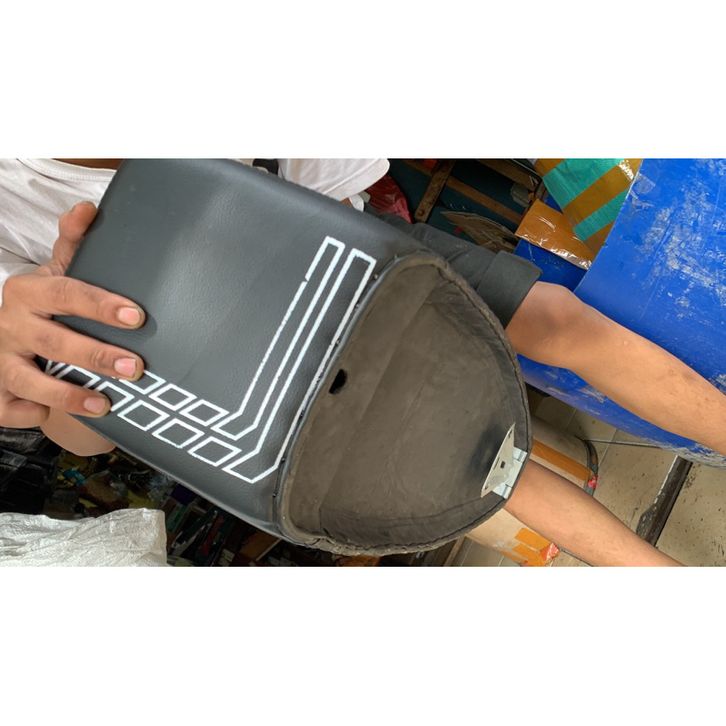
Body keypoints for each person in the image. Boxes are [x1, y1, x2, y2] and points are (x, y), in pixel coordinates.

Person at [0, 158, 722, 566]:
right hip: (236, 376)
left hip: (337, 253)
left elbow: (317, 178)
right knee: (479, 462)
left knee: (558, 325)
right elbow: (82, 435)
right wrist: (54, 376)